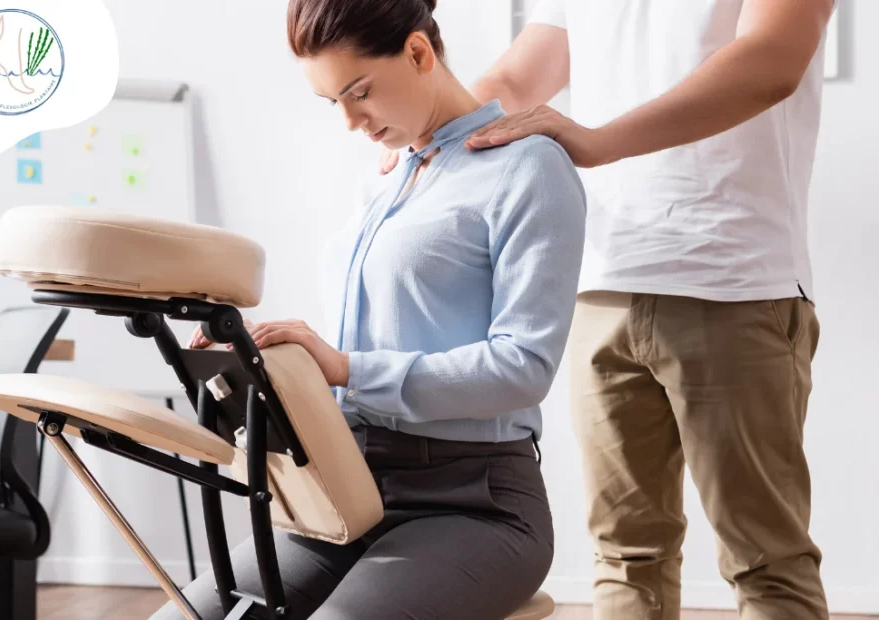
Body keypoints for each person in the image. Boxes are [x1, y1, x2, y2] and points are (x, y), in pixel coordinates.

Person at [382, 0, 835, 618]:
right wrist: (431, 130)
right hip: (601, 285)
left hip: (735, 282)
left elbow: (771, 60)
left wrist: (596, 143)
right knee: (625, 559)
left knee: (767, 562)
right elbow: (515, 81)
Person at [152, 0, 587, 618]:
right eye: (335, 103)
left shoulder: (528, 167)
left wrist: (345, 367)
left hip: (475, 503)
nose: (352, 122)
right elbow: (360, 348)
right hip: (346, 492)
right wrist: (266, 355)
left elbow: (523, 367)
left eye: (360, 93)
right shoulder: (387, 181)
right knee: (184, 615)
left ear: (418, 53)